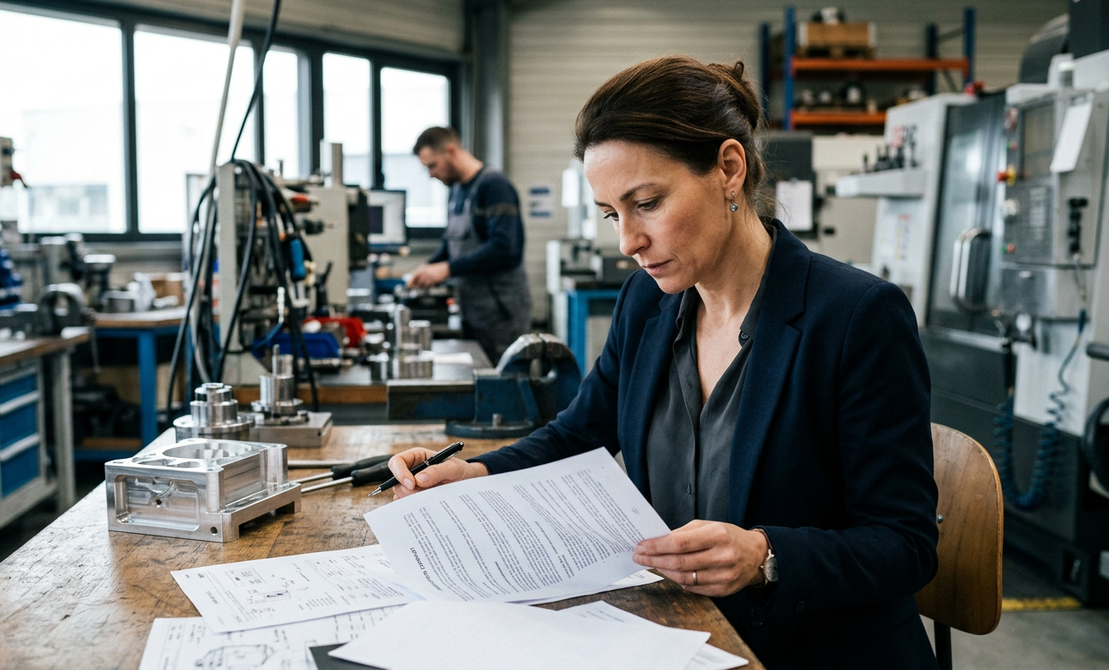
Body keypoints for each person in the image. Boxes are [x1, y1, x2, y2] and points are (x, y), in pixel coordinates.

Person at [387, 57, 939, 669]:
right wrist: (475, 475)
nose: (627, 241)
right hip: (678, 634)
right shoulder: (649, 302)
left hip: (810, 648)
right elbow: (579, 430)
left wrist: (766, 555)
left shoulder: (856, 317)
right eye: (611, 214)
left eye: (646, 202)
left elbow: (905, 544)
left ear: (729, 169)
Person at [406, 126, 532, 364]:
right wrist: (427, 267)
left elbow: (505, 247)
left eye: (432, 165)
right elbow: (450, 243)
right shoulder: (457, 191)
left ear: (451, 151)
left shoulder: (495, 187)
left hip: (501, 314)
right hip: (473, 310)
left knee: (504, 387)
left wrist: (446, 269)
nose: (431, 174)